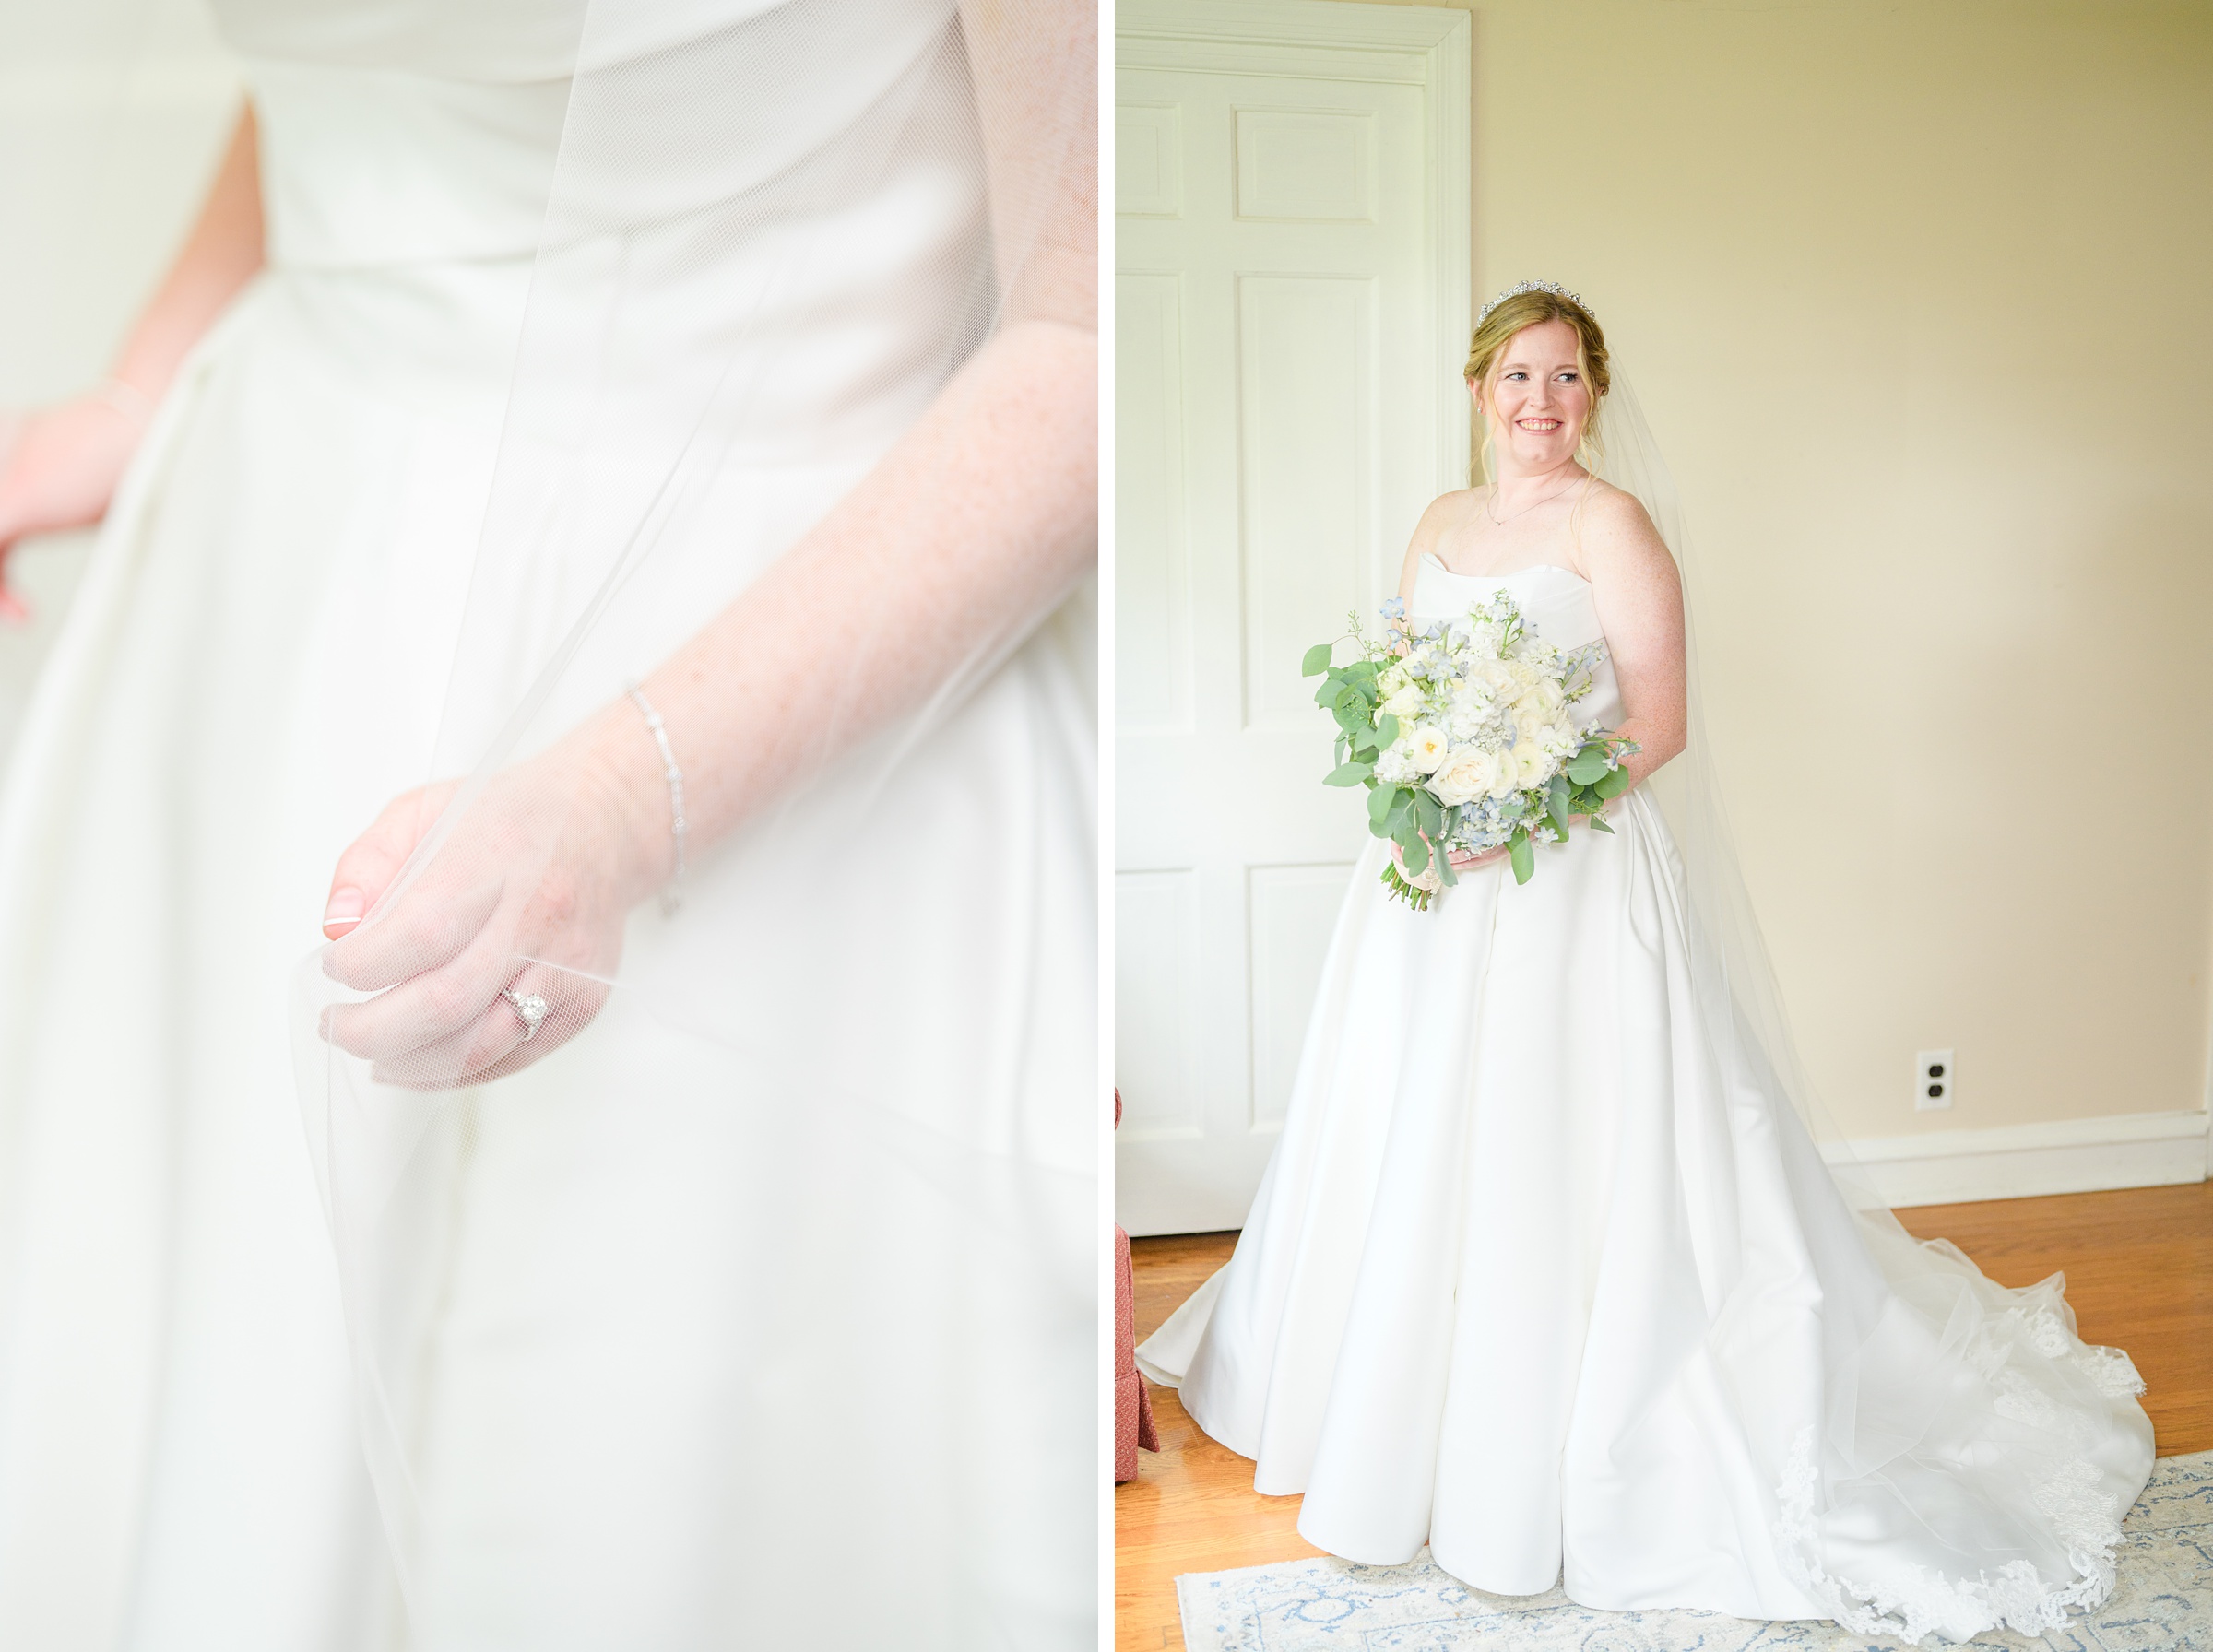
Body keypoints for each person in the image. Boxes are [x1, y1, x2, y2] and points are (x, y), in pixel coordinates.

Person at [0, 1, 1095, 1646]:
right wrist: (141, 384)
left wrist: (617, 801)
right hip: (269, 587)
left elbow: (1088, 344)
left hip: (757, 665)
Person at [1137, 283, 2153, 1648]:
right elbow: (1402, 688)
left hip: (1570, 882)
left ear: (1594, 396)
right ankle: (1390, 1414)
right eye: (1517, 376)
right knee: (1417, 1120)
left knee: (1571, 1138)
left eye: (1565, 378)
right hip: (1435, 881)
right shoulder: (1441, 524)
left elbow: (1658, 723)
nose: (1540, 402)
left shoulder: (1612, 525)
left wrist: (1514, 806)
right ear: (1479, 387)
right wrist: (1431, 788)